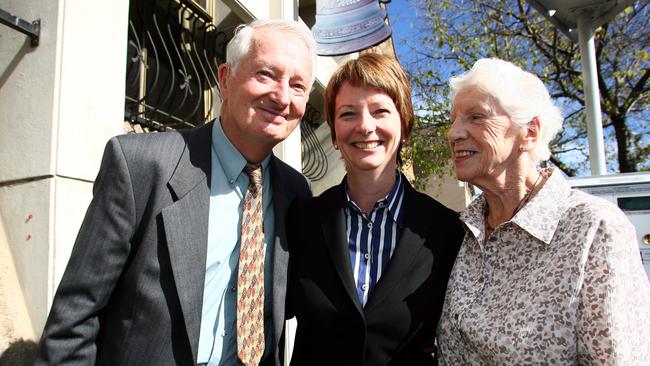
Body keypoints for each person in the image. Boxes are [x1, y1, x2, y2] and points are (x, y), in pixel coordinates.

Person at [36, 19, 315, 366]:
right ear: (225, 79)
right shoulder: (141, 166)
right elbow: (74, 320)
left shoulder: (296, 192)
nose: (282, 96)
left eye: (298, 86)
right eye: (266, 75)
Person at [436, 58, 650, 365]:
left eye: (476, 117)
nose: (454, 133)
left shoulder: (593, 228)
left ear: (530, 132)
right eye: (454, 119)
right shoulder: (468, 230)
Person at [285, 53, 464, 366]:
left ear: (405, 125)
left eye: (381, 111)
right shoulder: (302, 221)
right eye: (348, 114)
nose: (365, 126)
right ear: (335, 133)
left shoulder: (446, 232)